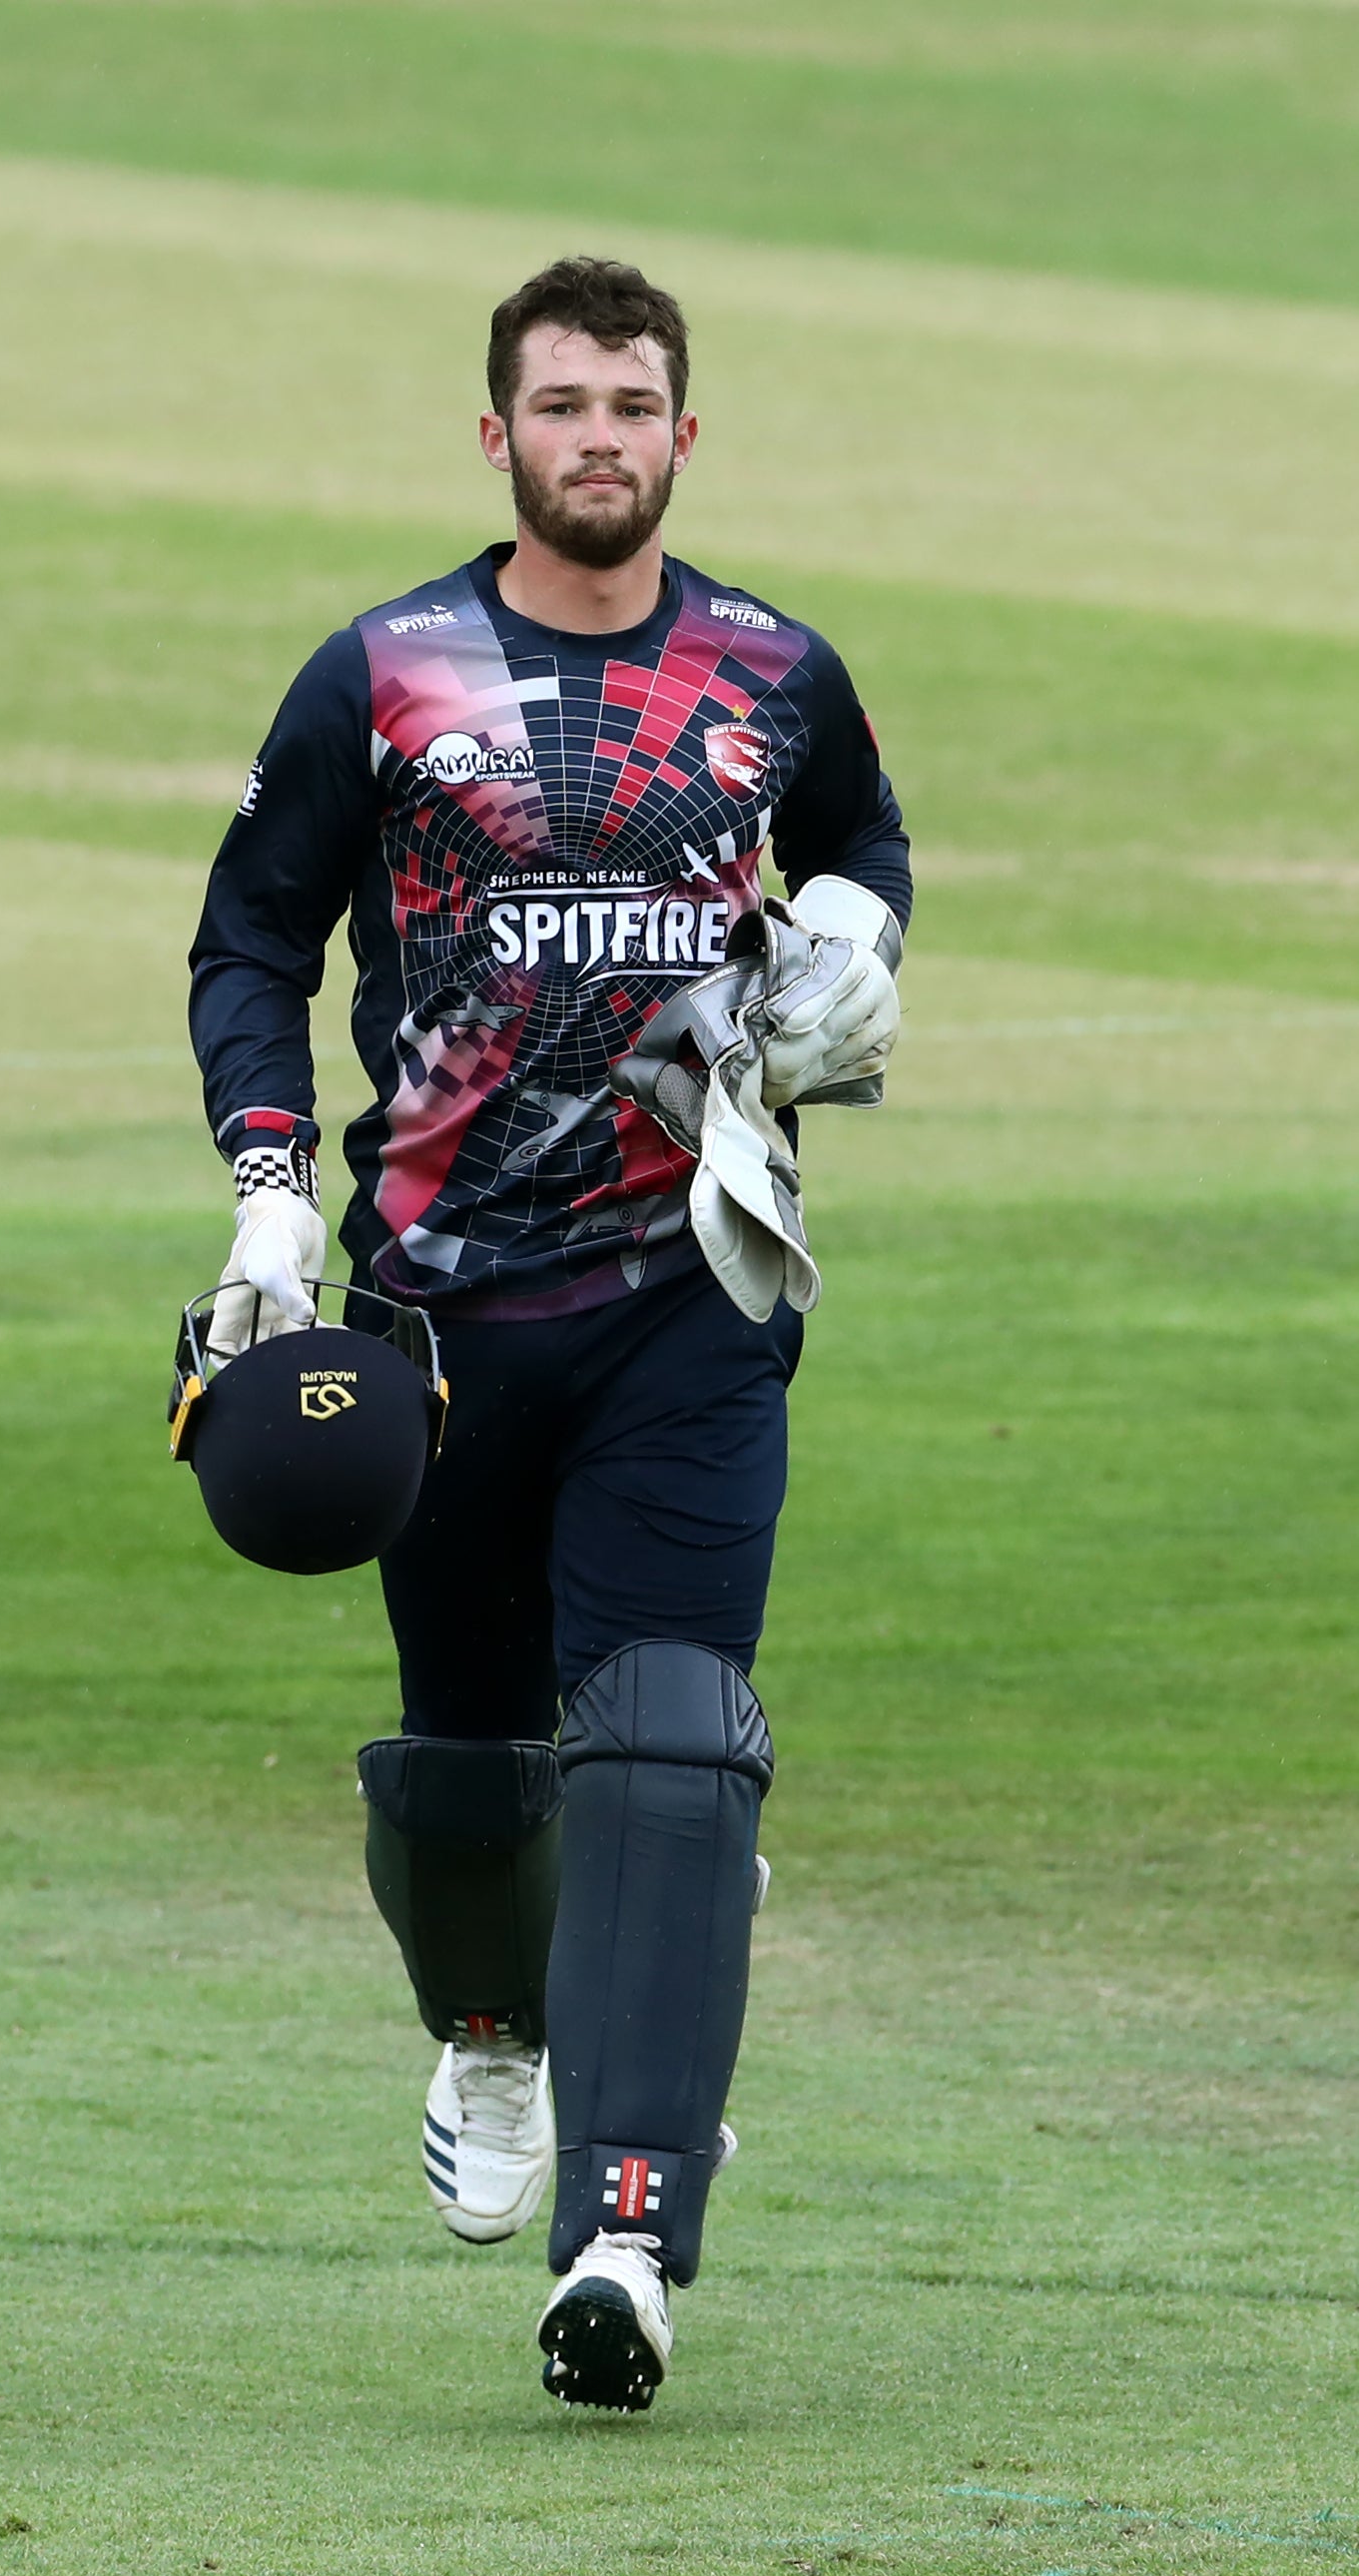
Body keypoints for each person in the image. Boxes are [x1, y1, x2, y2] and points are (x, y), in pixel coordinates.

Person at [188, 257, 911, 2410]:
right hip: (428, 1310)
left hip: (689, 1286)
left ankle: (628, 2237)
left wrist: (857, 935)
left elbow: (856, 832)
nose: (598, 436)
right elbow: (251, 936)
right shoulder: (385, 673)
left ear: (685, 438)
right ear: (493, 436)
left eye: (634, 404)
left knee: (675, 1741)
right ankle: (487, 2036)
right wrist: (260, 1191)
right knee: (481, 1771)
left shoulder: (777, 668)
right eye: (559, 405)